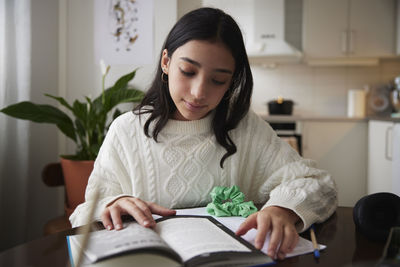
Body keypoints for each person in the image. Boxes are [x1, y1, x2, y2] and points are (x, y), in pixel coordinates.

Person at [70, 7, 337, 260]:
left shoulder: (244, 128)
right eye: (187, 71)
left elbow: (317, 182)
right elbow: (83, 213)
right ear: (166, 62)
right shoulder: (126, 131)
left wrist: (283, 209)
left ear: (231, 82)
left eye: (218, 80)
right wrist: (112, 204)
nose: (199, 92)